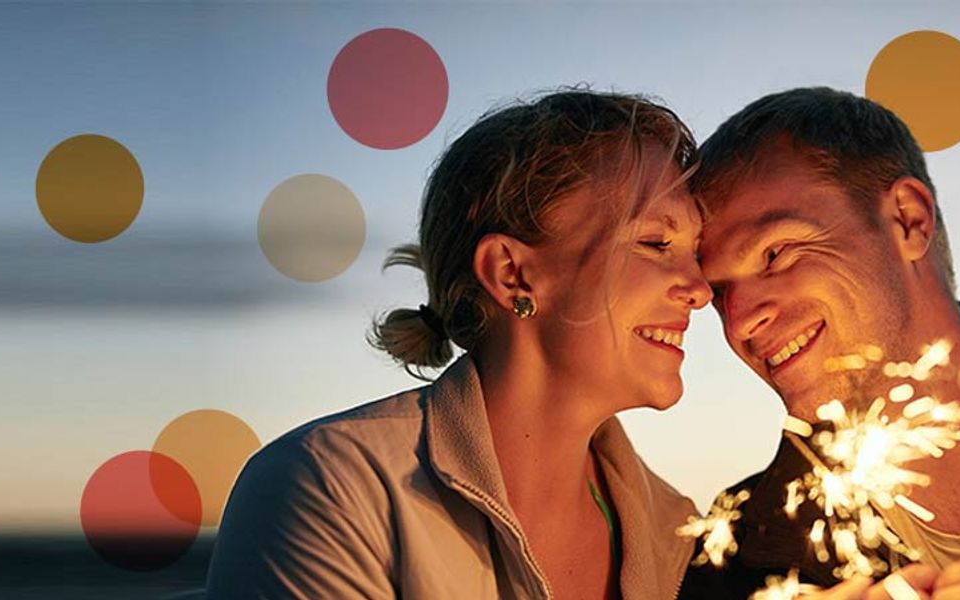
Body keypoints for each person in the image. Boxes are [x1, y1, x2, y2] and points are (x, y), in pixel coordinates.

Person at [205, 90, 716, 599]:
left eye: (695, 252)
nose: (700, 289)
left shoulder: (678, 536)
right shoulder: (334, 487)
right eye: (655, 243)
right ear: (511, 274)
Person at [679, 87, 960, 598]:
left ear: (908, 220)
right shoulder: (733, 560)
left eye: (775, 253)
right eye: (719, 293)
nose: (740, 322)